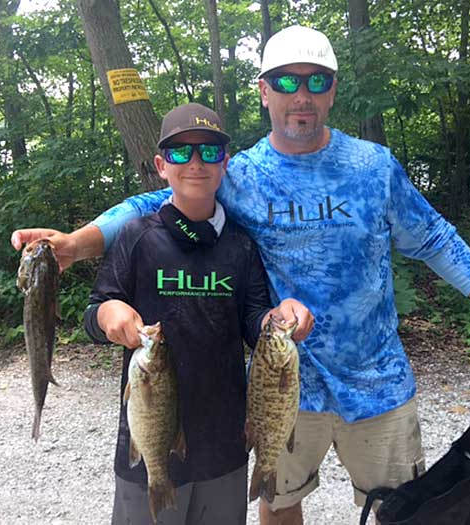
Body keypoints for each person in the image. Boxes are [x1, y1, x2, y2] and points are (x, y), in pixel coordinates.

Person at [12, 25, 470, 524]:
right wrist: (75, 244)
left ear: (333, 90)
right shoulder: (241, 174)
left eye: (316, 81)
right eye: (286, 82)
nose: (302, 95)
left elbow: (434, 236)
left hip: (378, 384)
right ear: (264, 91)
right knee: (277, 503)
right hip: (283, 385)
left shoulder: (372, 167)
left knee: (402, 510)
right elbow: (153, 203)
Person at [83, 102, 313, 524]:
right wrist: (106, 315)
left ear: (224, 163)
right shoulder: (137, 238)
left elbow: (253, 320)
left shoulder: (240, 245)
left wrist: (279, 320)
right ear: (160, 165)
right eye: (180, 153)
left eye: (209, 152)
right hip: (151, 436)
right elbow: (94, 311)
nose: (195, 162)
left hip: (224, 442)